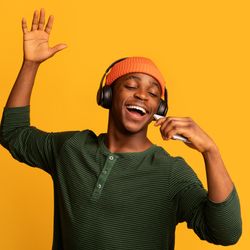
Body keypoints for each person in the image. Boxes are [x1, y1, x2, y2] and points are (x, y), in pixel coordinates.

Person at [0, 8, 242, 250]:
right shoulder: (72, 149)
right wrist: (30, 65)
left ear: (160, 107)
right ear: (107, 95)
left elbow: (226, 233)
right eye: (131, 85)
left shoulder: (171, 172)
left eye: (153, 93)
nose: (142, 95)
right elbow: (13, 133)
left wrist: (211, 151)